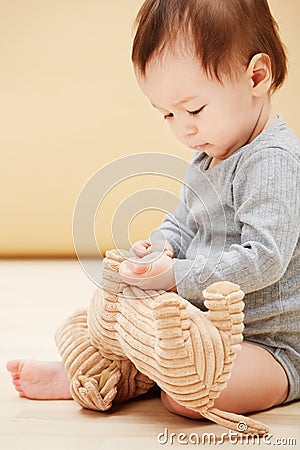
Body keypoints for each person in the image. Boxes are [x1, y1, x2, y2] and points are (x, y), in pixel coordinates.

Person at [7, 0, 300, 418]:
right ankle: (95, 372)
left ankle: (136, 374)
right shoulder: (211, 153)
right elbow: (183, 222)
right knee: (119, 314)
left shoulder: (273, 162)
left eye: (195, 109)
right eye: (167, 114)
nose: (184, 128)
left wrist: (177, 278)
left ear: (256, 76)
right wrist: (160, 249)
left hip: (267, 345)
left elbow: (265, 259)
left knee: (191, 394)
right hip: (199, 326)